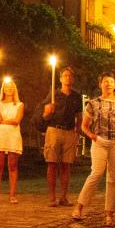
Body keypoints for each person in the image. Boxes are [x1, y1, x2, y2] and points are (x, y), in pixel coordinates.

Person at [73, 72, 115, 227]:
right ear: (100, 84)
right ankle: (79, 207)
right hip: (100, 141)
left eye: (111, 81)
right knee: (96, 173)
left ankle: (109, 214)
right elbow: (84, 126)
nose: (108, 84)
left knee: (113, 179)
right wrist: (93, 136)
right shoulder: (93, 103)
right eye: (105, 81)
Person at [39, 67, 83, 207]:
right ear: (60, 78)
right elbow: (44, 115)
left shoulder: (77, 96)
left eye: (70, 75)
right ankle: (52, 197)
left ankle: (64, 196)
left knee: (66, 165)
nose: (68, 78)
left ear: (73, 78)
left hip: (69, 131)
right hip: (54, 130)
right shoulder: (53, 94)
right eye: (65, 75)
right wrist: (47, 112)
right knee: (52, 164)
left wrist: (77, 133)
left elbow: (79, 116)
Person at [0, 79, 24, 204]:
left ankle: (12, 195)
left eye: (11, 87)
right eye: (7, 87)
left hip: (13, 135)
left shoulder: (19, 104)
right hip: (0, 134)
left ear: (14, 89)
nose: (9, 89)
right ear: (3, 89)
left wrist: (6, 121)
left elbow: (16, 120)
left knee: (12, 165)